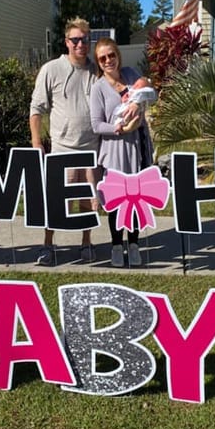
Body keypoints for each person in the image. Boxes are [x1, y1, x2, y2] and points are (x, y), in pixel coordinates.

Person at [29, 17, 114, 266]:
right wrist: (36, 142)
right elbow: (36, 109)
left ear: (89, 42)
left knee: (89, 200)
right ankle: (47, 245)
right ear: (66, 42)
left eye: (84, 40)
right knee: (55, 201)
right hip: (62, 148)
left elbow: (123, 81)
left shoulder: (97, 70)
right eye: (75, 39)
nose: (80, 44)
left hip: (91, 148)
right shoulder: (51, 69)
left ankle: (86, 243)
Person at [90, 37, 156, 267]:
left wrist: (137, 103)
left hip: (138, 147)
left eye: (111, 55)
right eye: (103, 58)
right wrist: (120, 128)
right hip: (115, 150)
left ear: (118, 55)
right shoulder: (98, 88)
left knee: (136, 199)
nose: (109, 60)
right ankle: (117, 245)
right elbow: (97, 125)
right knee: (117, 202)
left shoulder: (129, 73)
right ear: (98, 63)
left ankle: (134, 245)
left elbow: (147, 86)